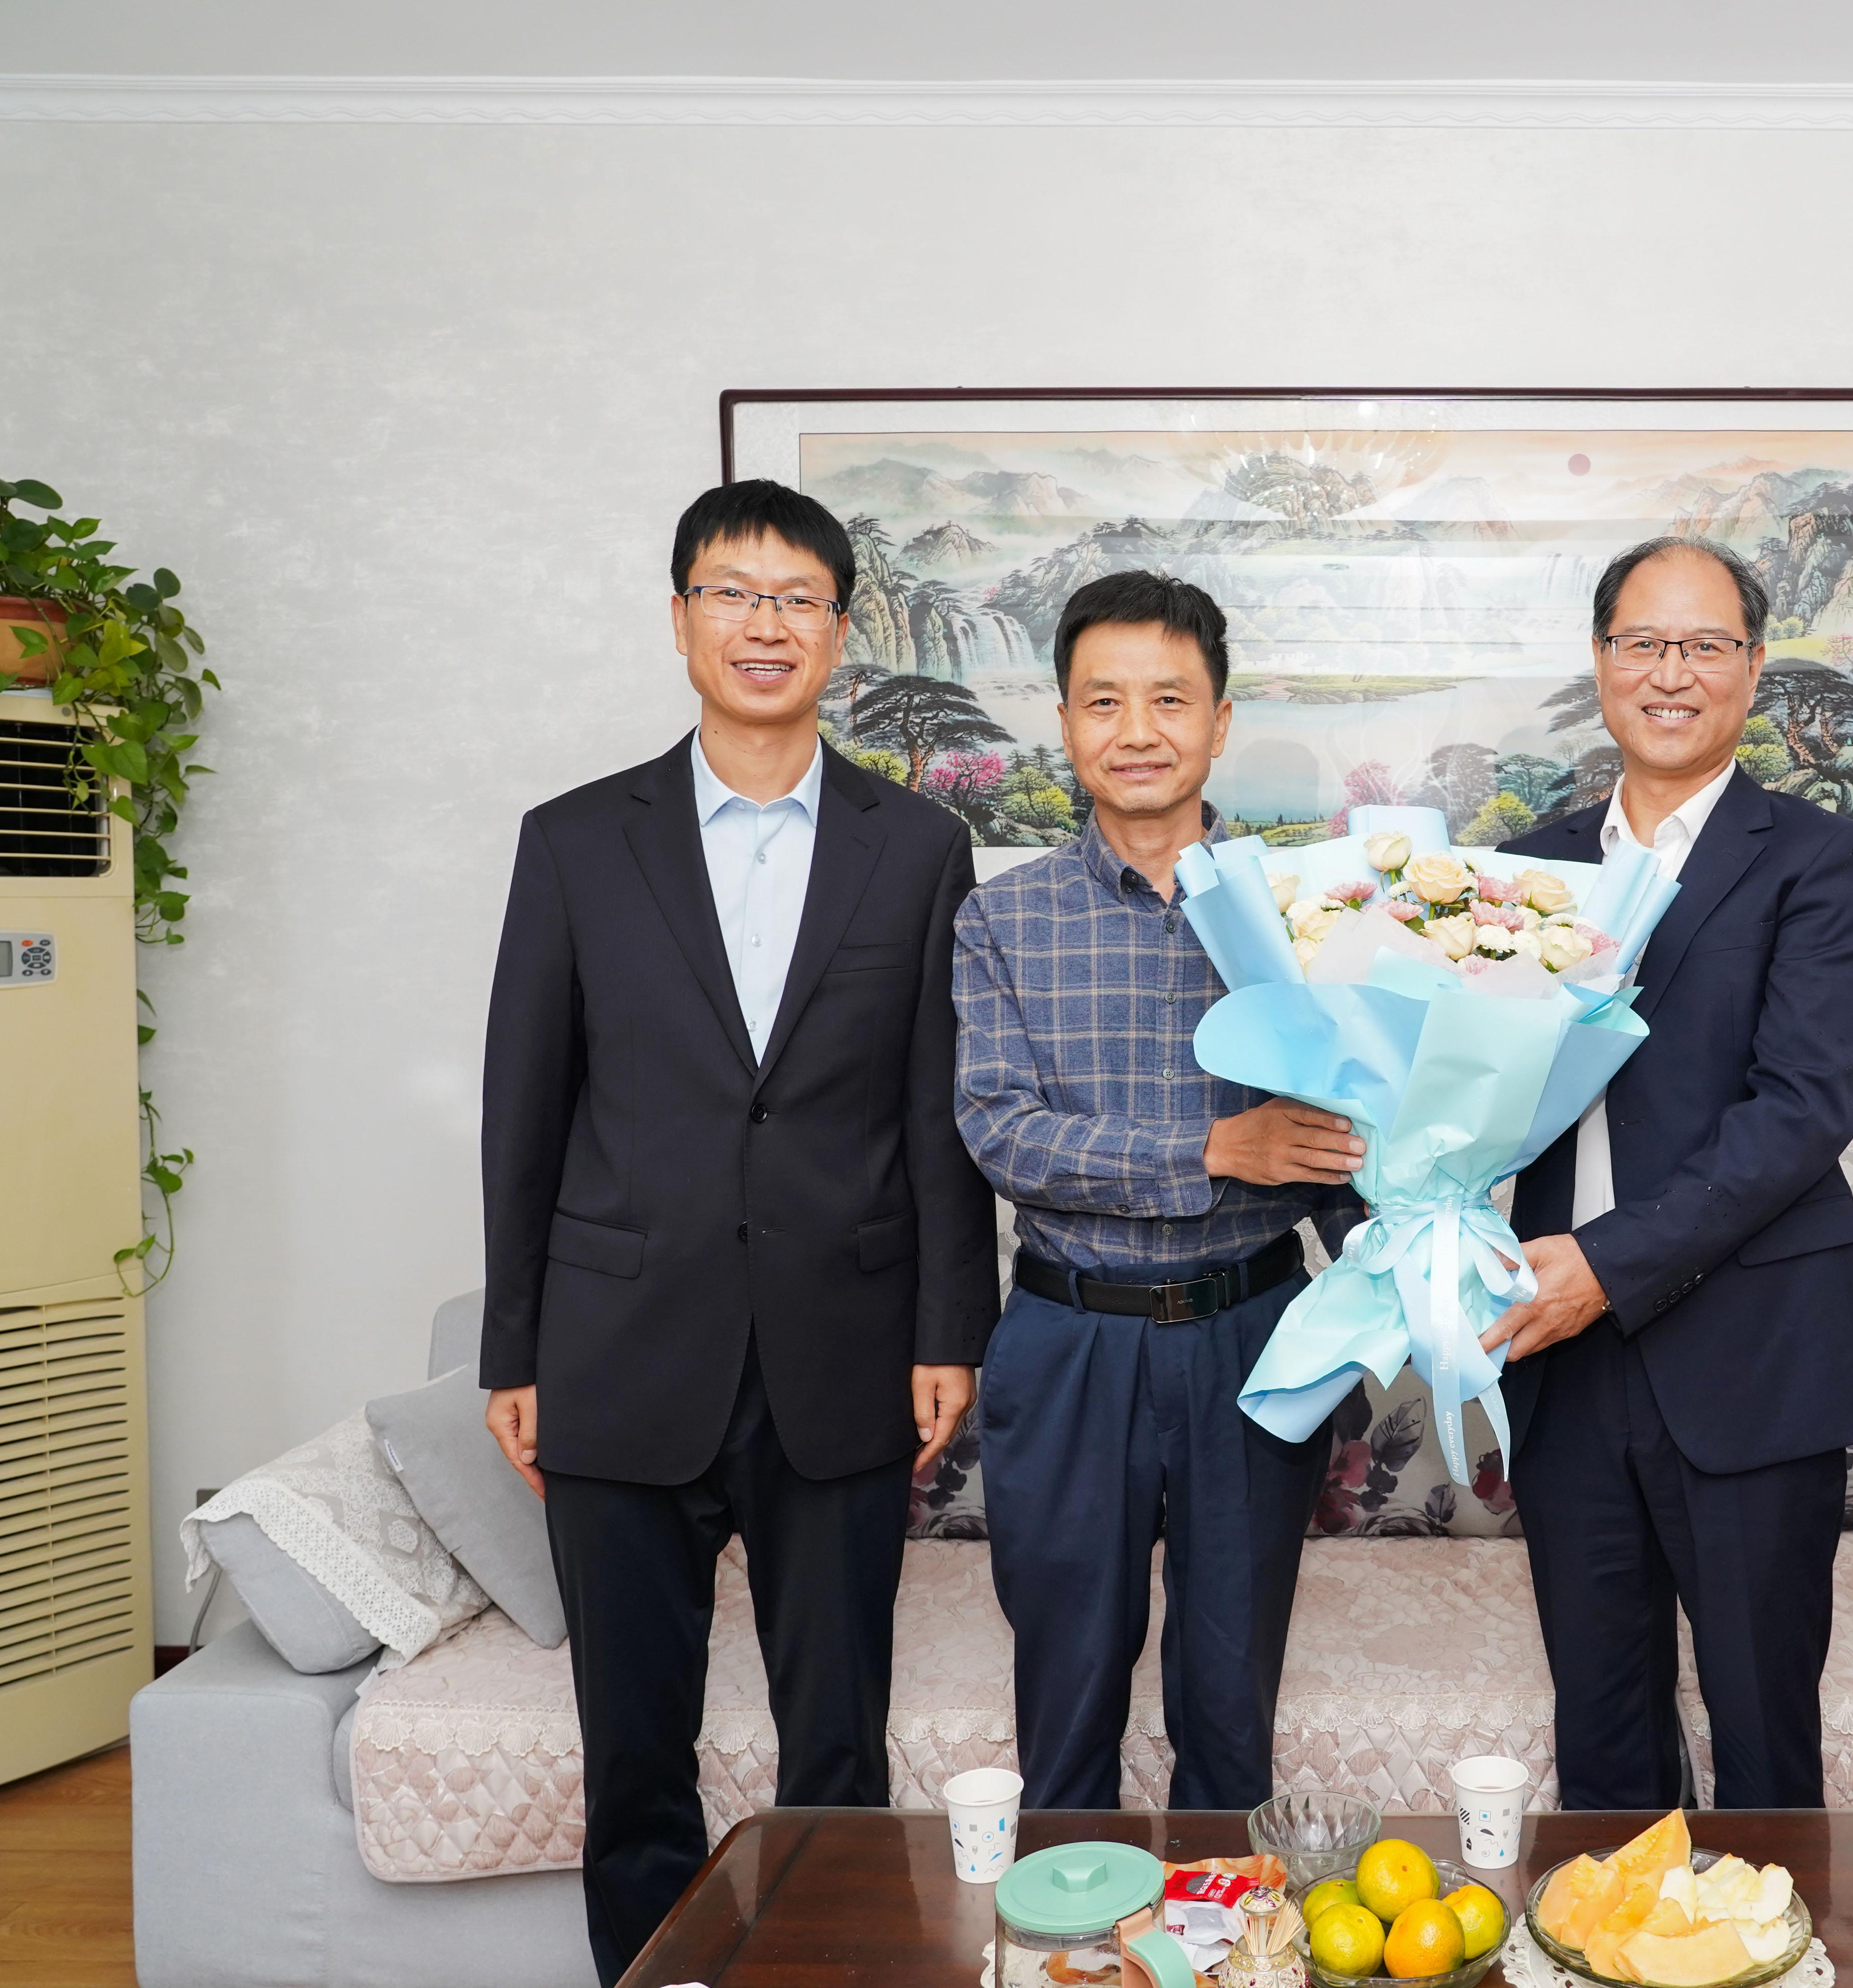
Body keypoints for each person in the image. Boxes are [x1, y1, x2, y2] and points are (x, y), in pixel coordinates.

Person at [478, 480, 995, 1984]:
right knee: (635, 1756)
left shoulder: (918, 845)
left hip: (844, 1350)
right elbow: (525, 1106)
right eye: (731, 592)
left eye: (796, 599)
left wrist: (948, 1329)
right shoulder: (577, 841)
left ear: (839, 628)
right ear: (681, 617)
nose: (764, 625)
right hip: (618, 1349)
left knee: (837, 1756)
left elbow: (939, 1109)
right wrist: (516, 1348)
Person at [1485, 535, 1853, 1809]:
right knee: (1601, 1734)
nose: (1671, 672)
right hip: (1560, 1358)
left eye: (1705, 644)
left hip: (1752, 1354)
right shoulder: (1527, 869)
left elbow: (1803, 1110)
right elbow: (1474, 1089)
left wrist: (1604, 1266)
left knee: (1764, 1736)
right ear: (1602, 659)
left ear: (1754, 665)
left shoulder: (1823, 859)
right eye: (1643, 642)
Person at [951, 569, 1361, 1810]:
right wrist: (1216, 1150)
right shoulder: (1001, 918)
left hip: (1256, 1332)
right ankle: (1068, 1917)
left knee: (1231, 1703)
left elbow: (1353, 1126)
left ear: (1220, 721)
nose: (1138, 731)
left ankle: (1223, 1917)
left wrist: (1416, 1238)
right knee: (1067, 1696)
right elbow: (1002, 1133)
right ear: (1064, 722)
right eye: (1104, 700)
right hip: (1071, 1339)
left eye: (1171, 699)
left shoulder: (1306, 912)